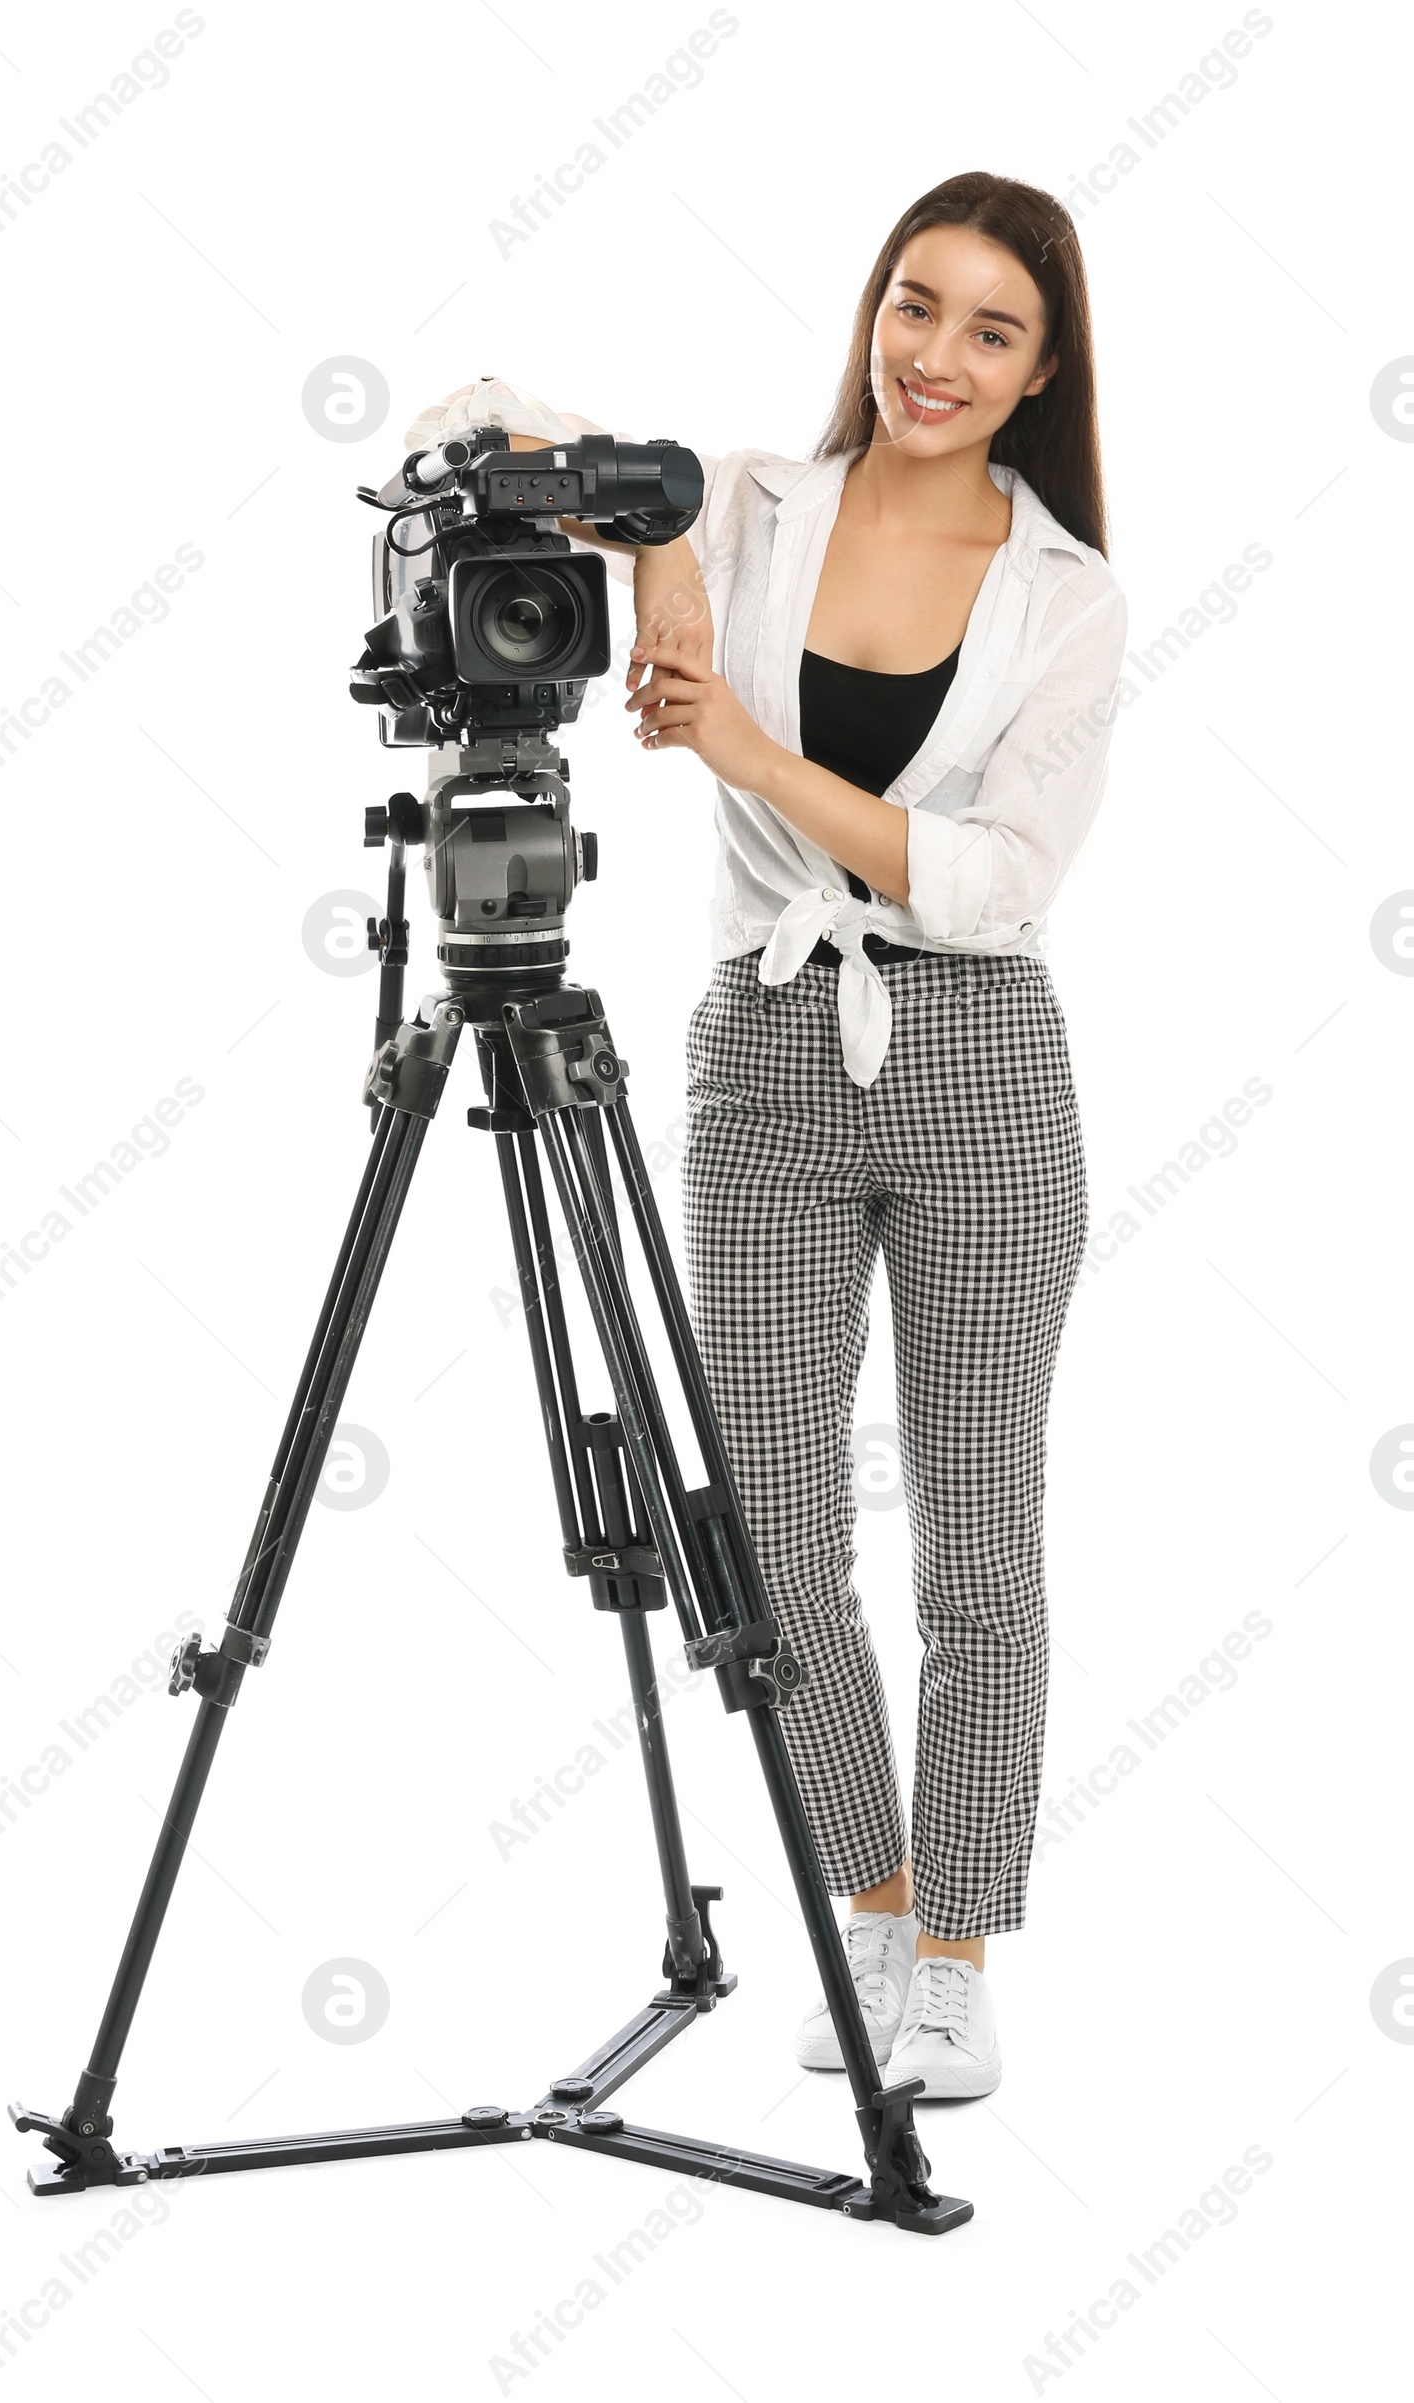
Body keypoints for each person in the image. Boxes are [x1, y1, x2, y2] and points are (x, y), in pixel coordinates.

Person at [406, 169, 1127, 2101]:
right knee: (778, 1515)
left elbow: (988, 879)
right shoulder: (752, 501)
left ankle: (962, 1942)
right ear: (870, 310)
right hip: (771, 1054)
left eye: (992, 329)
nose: (938, 358)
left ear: (1046, 368)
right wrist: (648, 535)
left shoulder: (1068, 594)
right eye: (916, 306)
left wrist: (739, 745)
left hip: (978, 1060)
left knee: (979, 1525)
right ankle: (870, 1894)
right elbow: (457, 423)